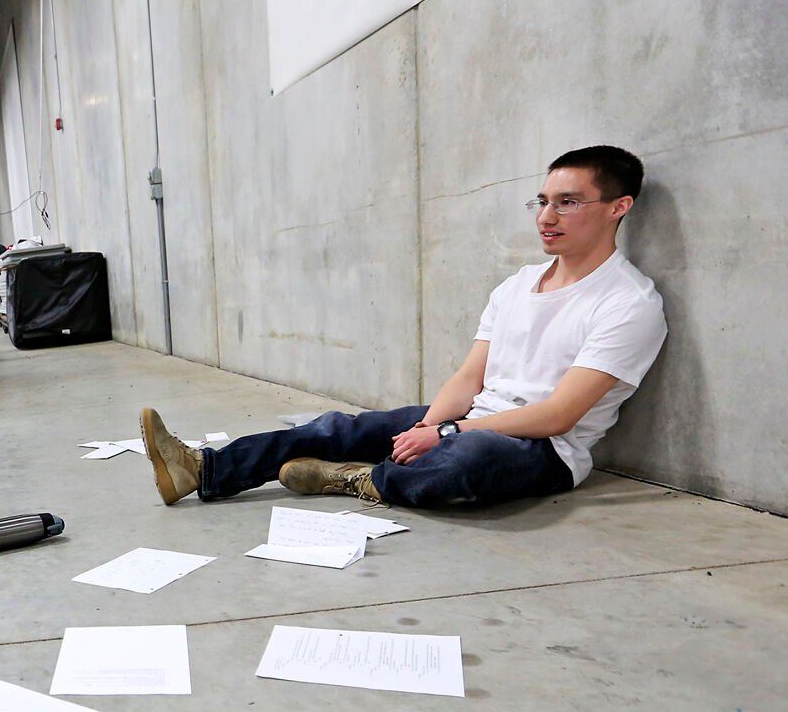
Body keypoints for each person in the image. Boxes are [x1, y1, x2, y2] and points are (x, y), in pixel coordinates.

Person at [141, 146, 667, 511]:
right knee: (340, 429)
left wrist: (447, 434)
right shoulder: (518, 285)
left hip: (544, 451)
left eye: (568, 202)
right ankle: (205, 469)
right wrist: (427, 427)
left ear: (619, 208)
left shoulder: (628, 303)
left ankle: (360, 479)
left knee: (465, 462)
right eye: (543, 201)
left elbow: (558, 416)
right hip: (473, 418)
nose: (547, 216)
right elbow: (468, 379)